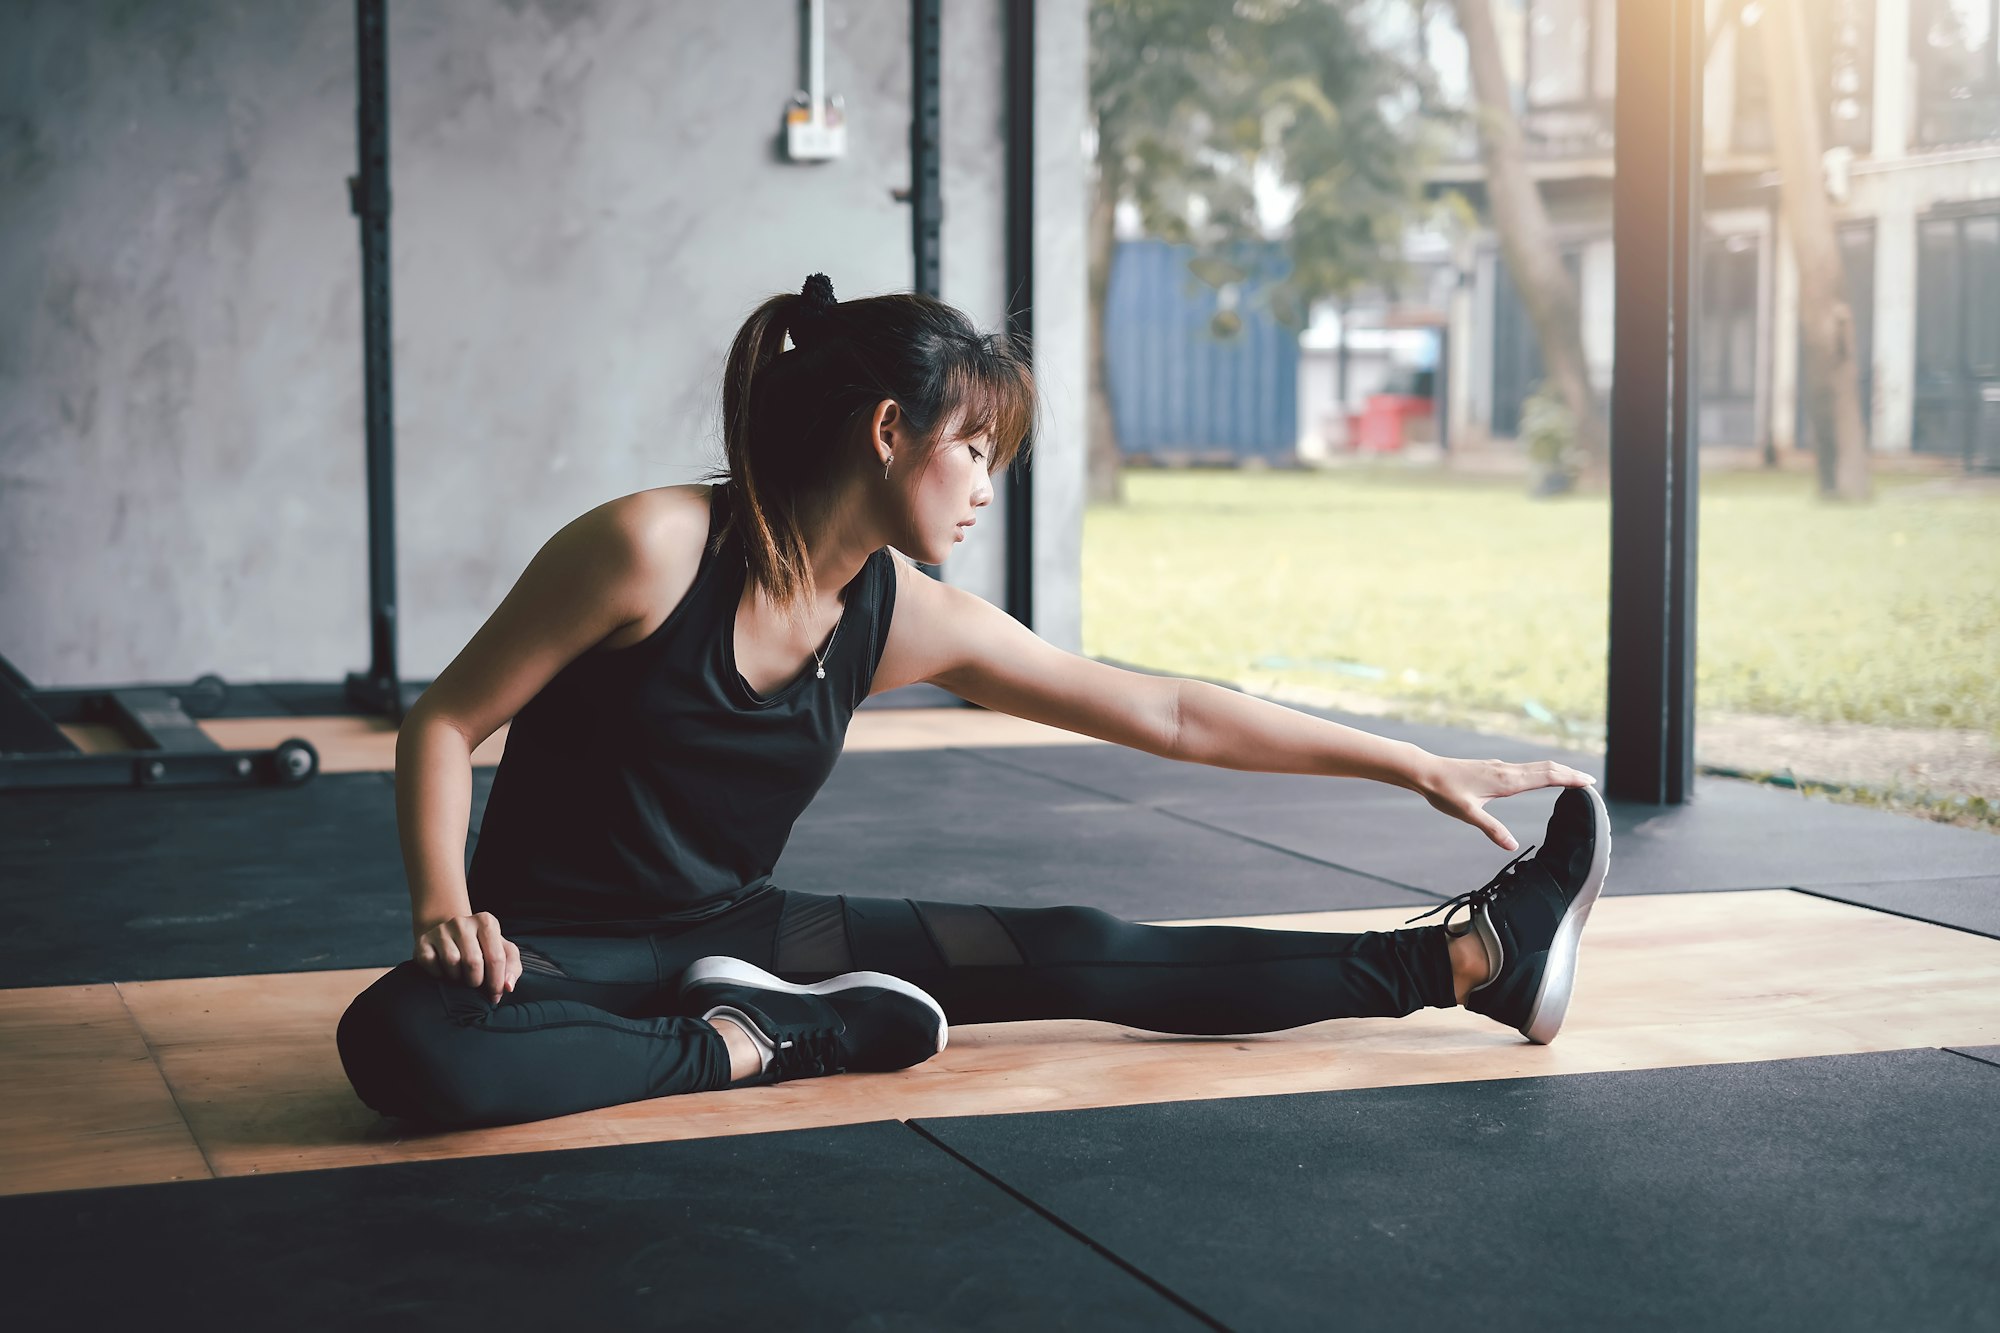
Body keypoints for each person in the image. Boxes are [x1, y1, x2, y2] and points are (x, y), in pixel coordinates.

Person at [335, 273, 1611, 1131]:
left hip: (748, 933)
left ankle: (1464, 960)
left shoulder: (898, 613)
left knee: (1082, 939)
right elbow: (445, 721)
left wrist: (1407, 763)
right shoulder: (649, 547)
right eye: (976, 451)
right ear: (889, 429)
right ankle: (761, 1045)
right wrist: (448, 911)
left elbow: (1166, 713)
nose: (986, 488)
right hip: (555, 953)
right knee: (398, 1040)